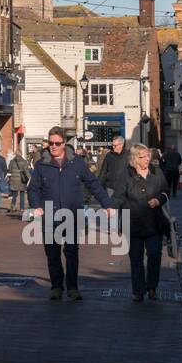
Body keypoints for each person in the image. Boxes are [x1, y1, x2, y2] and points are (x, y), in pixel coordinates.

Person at [29, 126, 114, 301]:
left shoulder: (77, 163)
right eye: (51, 143)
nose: (53, 146)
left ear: (64, 143)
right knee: (52, 253)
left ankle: (73, 288)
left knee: (72, 252)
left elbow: (93, 184)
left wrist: (107, 204)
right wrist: (36, 205)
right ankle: (56, 287)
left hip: (72, 215)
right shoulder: (41, 164)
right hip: (50, 216)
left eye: (57, 143)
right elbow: (33, 189)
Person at [116, 143, 171, 302]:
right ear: (134, 159)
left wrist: (159, 200)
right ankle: (138, 291)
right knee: (136, 259)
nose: (147, 159)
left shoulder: (157, 172)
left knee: (154, 254)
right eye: (143, 157)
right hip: (132, 223)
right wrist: (112, 209)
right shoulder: (126, 174)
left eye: (148, 155)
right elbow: (119, 196)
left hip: (154, 223)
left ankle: (152, 286)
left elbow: (166, 192)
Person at [6, 148, 31, 213]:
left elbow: (9, 170)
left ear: (15, 153)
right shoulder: (24, 161)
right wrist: (30, 178)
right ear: (21, 153)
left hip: (14, 180)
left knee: (14, 194)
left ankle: (13, 206)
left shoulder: (12, 161)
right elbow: (26, 171)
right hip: (22, 180)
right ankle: (22, 208)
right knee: (22, 194)